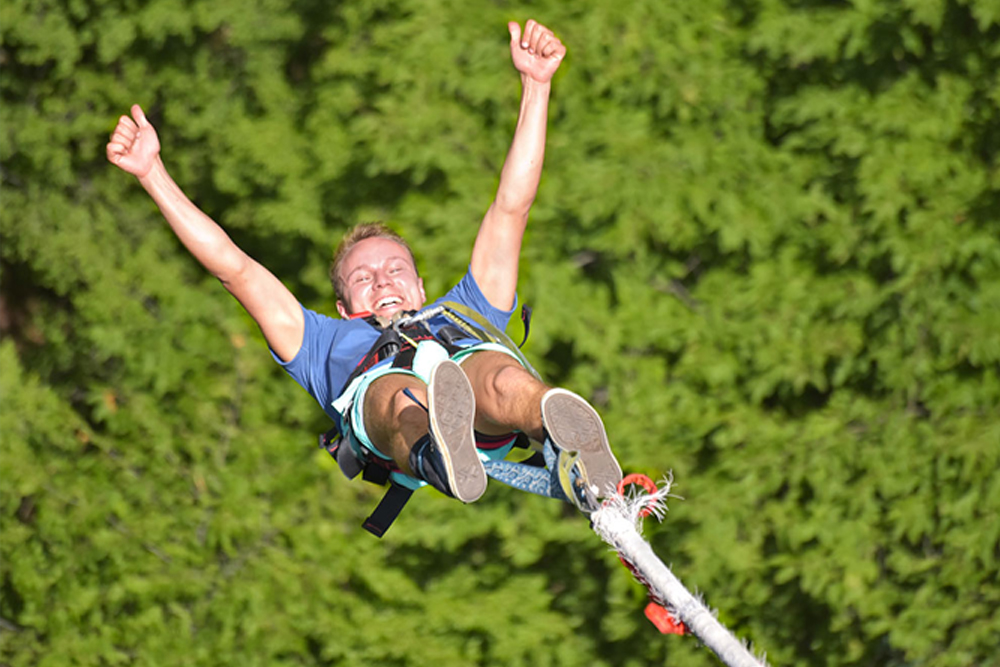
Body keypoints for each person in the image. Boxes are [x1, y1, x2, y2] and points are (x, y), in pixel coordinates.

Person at [107, 19, 622, 528]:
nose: (381, 280)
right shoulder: (319, 343)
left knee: (501, 376)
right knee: (399, 396)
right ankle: (437, 452)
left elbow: (512, 207)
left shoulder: (467, 306)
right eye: (363, 277)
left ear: (420, 285)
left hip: (479, 396)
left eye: (395, 268)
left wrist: (537, 85)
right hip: (396, 421)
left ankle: (557, 424)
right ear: (342, 307)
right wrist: (153, 174)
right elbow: (235, 268)